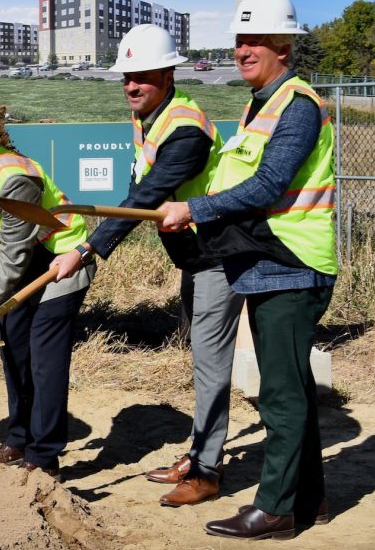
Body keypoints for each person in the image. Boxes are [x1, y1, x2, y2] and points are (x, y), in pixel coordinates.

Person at [157, 0, 338, 540]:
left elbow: (269, 184)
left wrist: (195, 207)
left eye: (256, 39)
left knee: (281, 395)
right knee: (296, 389)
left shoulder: (298, 104)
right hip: (268, 261)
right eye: (240, 39)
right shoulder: (261, 101)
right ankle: (309, 499)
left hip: (292, 262)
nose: (243, 49)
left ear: (285, 44)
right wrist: (201, 214)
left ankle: (276, 509)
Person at [49, 25, 238, 506]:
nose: (131, 85)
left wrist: (89, 250)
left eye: (143, 76)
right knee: (200, 356)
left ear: (168, 73)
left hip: (219, 255)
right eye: (126, 77)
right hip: (195, 258)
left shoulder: (186, 130)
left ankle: (208, 471)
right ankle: (198, 454)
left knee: (211, 364)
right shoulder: (152, 117)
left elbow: (146, 197)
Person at [0, 83, 92, 477]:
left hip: (60, 262)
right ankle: (18, 438)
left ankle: (44, 458)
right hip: (20, 263)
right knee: (15, 352)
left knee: (44, 358)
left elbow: (16, 256)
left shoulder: (14, 176)